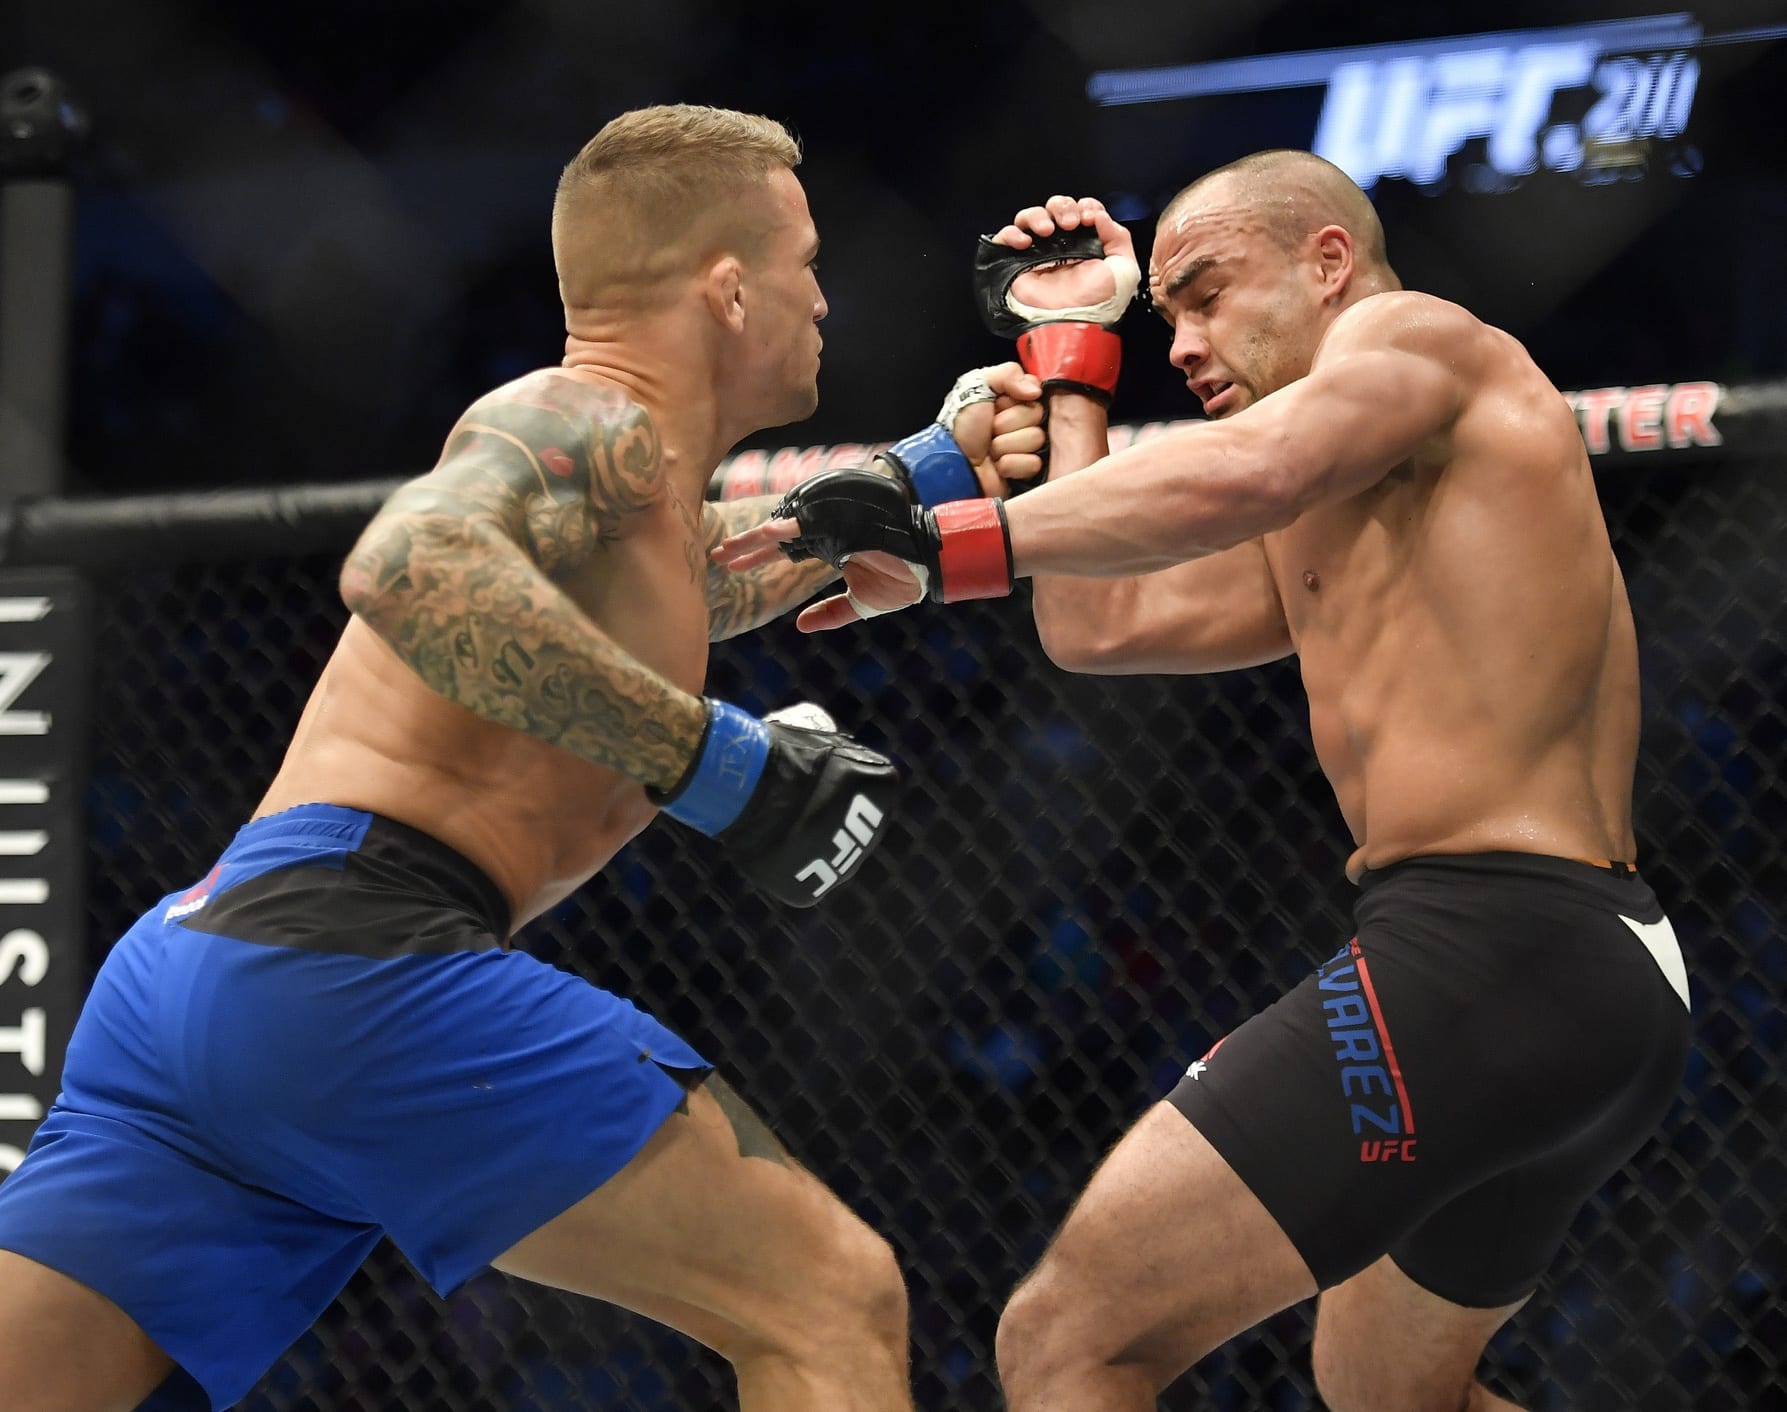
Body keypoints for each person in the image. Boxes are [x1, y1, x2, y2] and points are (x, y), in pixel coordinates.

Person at [0, 104, 1039, 1412]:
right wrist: (713, 761)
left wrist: (926, 467)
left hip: (202, 975)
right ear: (729, 291)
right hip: (353, 957)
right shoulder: (574, 416)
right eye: (806, 263)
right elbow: (410, 567)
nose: (824, 299)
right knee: (825, 1293)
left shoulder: (630, 494)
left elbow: (708, 575)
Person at [715, 150, 1694, 1411]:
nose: (1178, 342)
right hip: (1588, 969)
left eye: (1206, 294)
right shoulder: (1346, 502)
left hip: (1489, 940)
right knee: (1381, 1389)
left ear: (1326, 263)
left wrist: (945, 535)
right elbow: (1097, 621)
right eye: (1162, 315)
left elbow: (1252, 470)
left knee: (1065, 1338)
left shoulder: (1415, 339)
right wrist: (1073, 355)